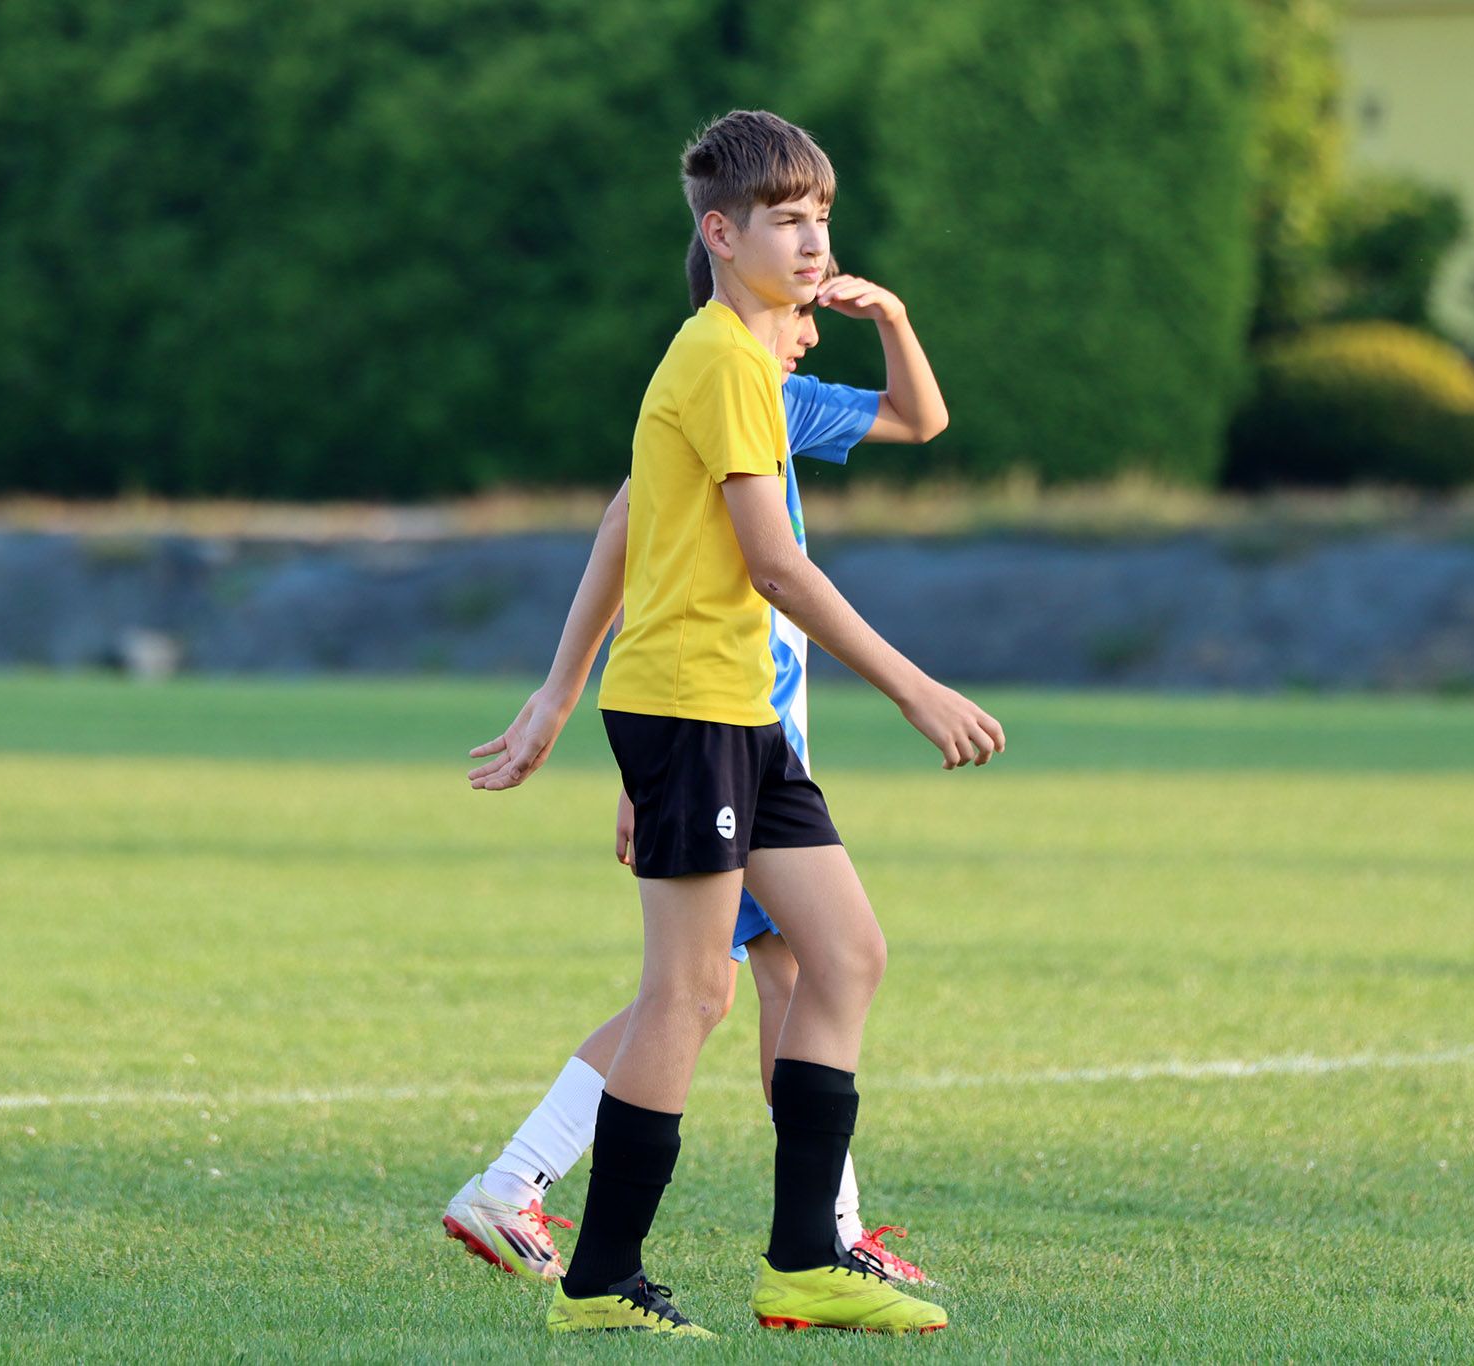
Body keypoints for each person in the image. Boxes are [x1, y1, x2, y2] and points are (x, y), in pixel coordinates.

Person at [470, 110, 1003, 1336]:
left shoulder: (756, 374)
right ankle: (598, 1284)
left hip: (737, 715)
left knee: (843, 953)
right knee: (685, 994)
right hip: (688, 709)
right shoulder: (715, 360)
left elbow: (894, 433)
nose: (813, 243)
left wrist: (558, 695)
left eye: (821, 218)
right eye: (786, 221)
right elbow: (773, 565)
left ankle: (806, 1259)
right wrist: (914, 687)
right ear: (720, 234)